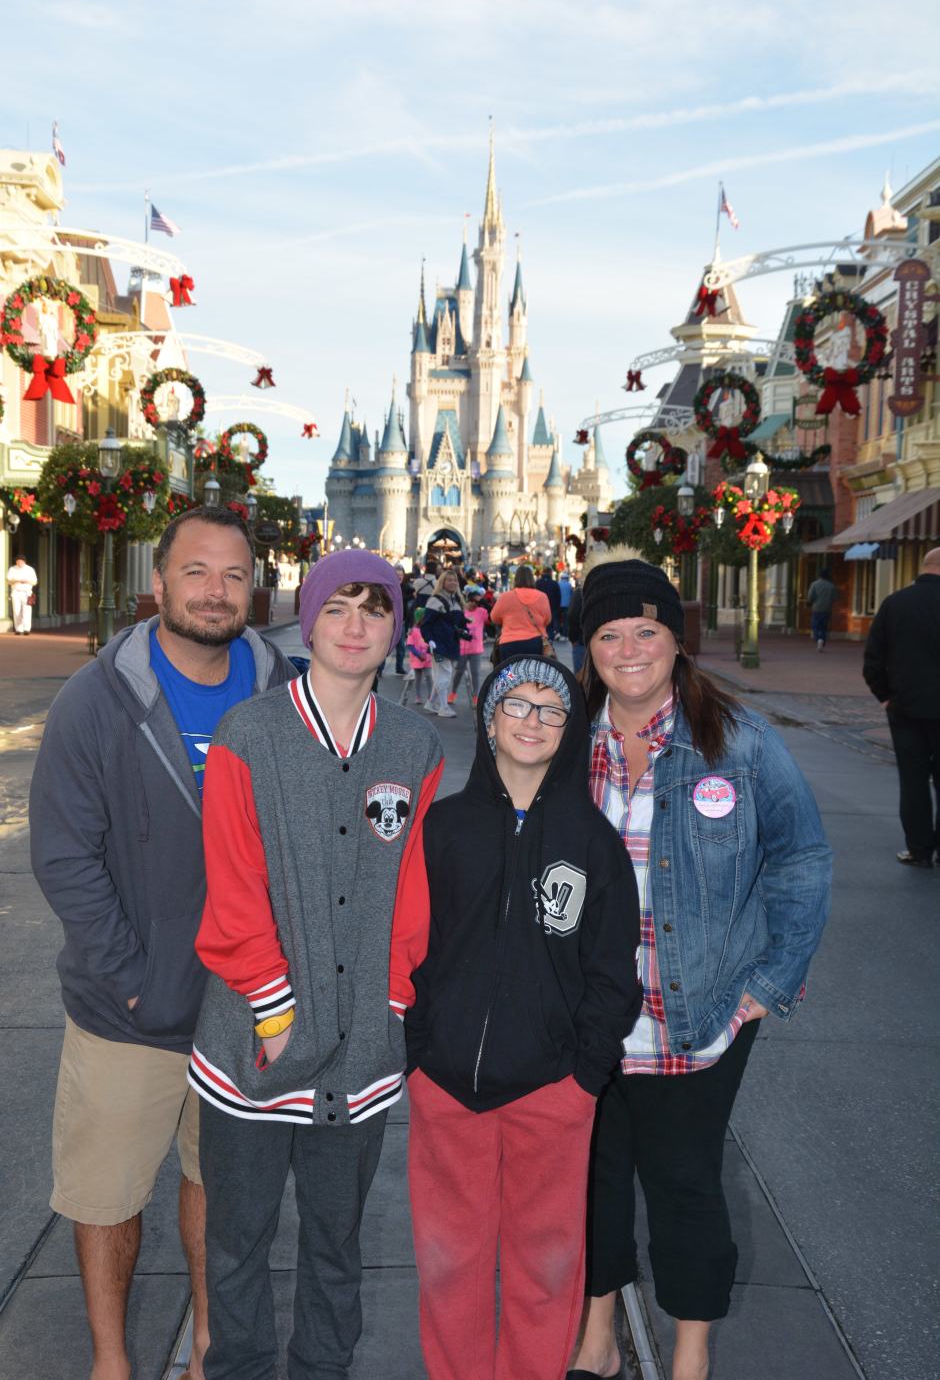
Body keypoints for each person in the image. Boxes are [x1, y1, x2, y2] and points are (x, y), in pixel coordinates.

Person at [29, 506, 294, 1380]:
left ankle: (210, 1344)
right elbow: (65, 856)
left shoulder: (281, 690)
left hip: (244, 1004)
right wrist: (132, 978)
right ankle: (111, 1360)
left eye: (231, 575)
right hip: (130, 1009)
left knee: (216, 1183)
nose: (215, 592)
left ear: (251, 589)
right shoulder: (97, 698)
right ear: (159, 584)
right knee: (105, 1195)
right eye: (195, 572)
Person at [568, 557, 832, 1380]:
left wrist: (766, 987)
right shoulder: (562, 740)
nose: (629, 648)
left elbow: (802, 859)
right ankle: (598, 1337)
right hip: (589, 1014)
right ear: (589, 649)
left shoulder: (740, 743)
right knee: (593, 1182)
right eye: (609, 634)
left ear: (676, 641)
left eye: (646, 630)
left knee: (684, 1184)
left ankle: (690, 1355)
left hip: (699, 1012)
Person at [189, 550, 444, 1380]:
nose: (356, 625)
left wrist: (394, 1002)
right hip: (253, 1050)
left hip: (361, 1050)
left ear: (394, 629)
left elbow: (412, 893)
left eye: (375, 609)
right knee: (238, 1245)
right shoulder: (249, 734)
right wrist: (276, 1012)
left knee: (336, 1250)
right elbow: (232, 897)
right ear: (310, 622)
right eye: (338, 607)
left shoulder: (414, 745)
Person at [406, 657, 642, 1380]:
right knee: (450, 1263)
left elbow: (612, 973)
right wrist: (416, 1054)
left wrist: (583, 1079)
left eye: (551, 710)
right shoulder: (441, 829)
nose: (532, 721)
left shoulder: (594, 842)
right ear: (487, 718)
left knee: (546, 1263)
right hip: (446, 1087)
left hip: (552, 1092)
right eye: (518, 705)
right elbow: (411, 945)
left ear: (570, 732)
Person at [862, 547, 940, 868]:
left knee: (913, 780)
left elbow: (873, 661)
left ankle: (919, 850)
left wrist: (886, 696)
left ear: (924, 567)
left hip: (906, 707)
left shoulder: (895, 604)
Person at [421, 568, 469, 718]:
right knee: (445, 674)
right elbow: (426, 624)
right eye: (449, 580)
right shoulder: (435, 600)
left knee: (442, 675)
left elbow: (459, 622)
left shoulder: (456, 600)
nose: (453, 582)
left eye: (454, 579)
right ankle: (443, 707)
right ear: (443, 582)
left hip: (450, 645)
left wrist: (465, 630)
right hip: (439, 647)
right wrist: (430, 641)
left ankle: (431, 703)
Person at [491, 564, 552, 661]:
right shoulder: (542, 597)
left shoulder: (505, 597)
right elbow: (547, 620)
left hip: (509, 643)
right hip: (535, 644)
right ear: (532, 578)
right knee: (532, 674)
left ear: (516, 579)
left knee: (509, 674)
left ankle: (508, 676)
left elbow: (494, 618)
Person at [450, 584, 487, 706]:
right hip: (462, 648)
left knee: (475, 673)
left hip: (476, 649)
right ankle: (453, 693)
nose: (472, 604)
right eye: (470, 601)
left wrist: (482, 601)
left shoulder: (482, 612)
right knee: (459, 672)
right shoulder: (461, 612)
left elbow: (491, 617)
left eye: (474, 601)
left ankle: (476, 696)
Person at [405, 605, 433, 706]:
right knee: (418, 678)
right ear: (419, 618)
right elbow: (410, 646)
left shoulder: (429, 629)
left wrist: (429, 652)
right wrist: (418, 654)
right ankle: (418, 696)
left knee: (429, 676)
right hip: (417, 659)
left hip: (428, 658)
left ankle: (430, 696)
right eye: (424, 617)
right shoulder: (413, 631)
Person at [806, 567, 838, 650]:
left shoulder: (814, 584)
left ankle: (818, 639)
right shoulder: (831, 586)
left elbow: (810, 597)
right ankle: (822, 639)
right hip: (827, 609)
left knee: (815, 626)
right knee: (824, 627)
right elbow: (834, 598)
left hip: (816, 608)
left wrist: (810, 602)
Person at [7, 553, 38, 633]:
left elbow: (34, 582)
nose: (19, 563)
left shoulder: (30, 569)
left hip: (26, 593)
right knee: (16, 610)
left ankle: (26, 629)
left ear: (24, 562)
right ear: (16, 562)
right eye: (18, 561)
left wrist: (27, 581)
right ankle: (18, 629)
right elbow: (8, 581)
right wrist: (16, 581)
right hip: (16, 592)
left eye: (21, 561)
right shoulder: (12, 569)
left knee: (26, 611)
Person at [394, 562, 415, 674]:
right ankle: (380, 669)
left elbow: (413, 591)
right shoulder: (391, 587)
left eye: (401, 575)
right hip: (390, 621)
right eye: (397, 575)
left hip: (402, 620)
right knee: (386, 646)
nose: (399, 577)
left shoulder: (406, 586)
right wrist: (411, 596)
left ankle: (399, 667)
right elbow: (400, 598)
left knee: (401, 645)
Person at [536, 566, 562, 639]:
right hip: (552, 608)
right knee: (550, 626)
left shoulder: (538, 583)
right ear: (550, 573)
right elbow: (558, 597)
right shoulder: (554, 583)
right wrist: (557, 608)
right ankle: (549, 640)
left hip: (539, 608)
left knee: (541, 625)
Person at [558, 568, 573, 638]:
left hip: (559, 605)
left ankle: (559, 633)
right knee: (565, 620)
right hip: (567, 605)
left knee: (559, 619)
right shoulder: (569, 585)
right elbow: (572, 594)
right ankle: (565, 634)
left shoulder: (558, 584)